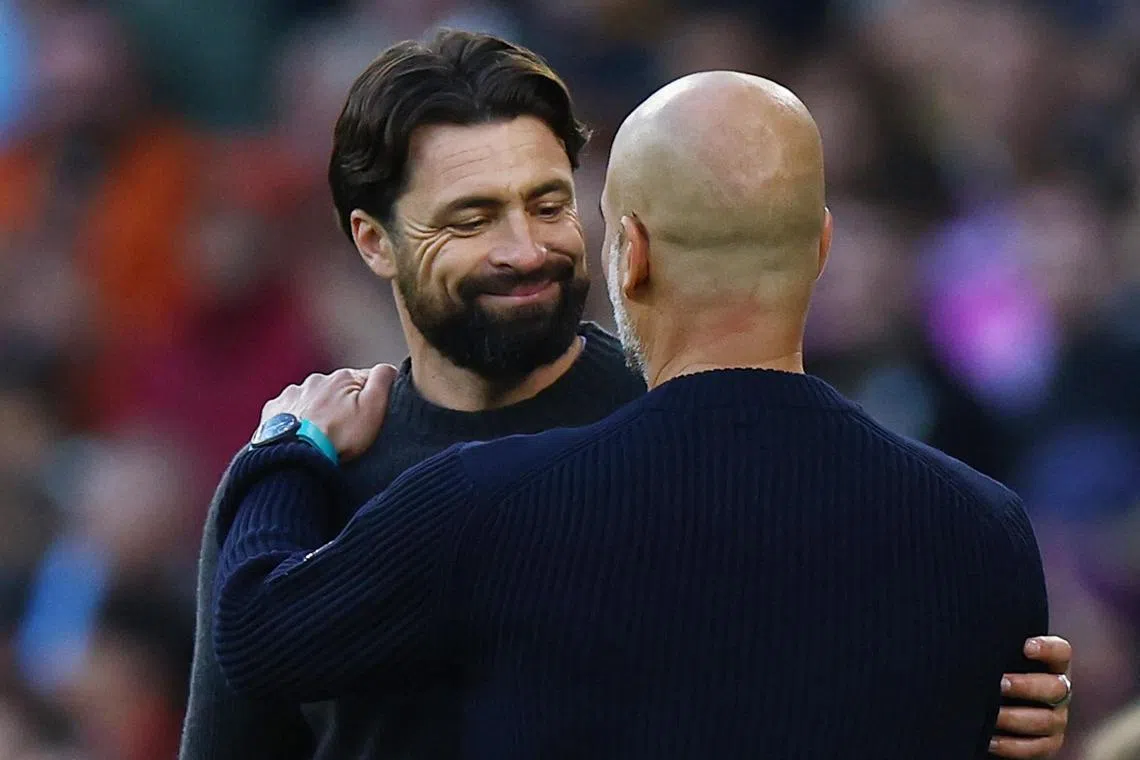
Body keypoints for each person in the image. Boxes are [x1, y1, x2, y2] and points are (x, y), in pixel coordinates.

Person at [180, 30, 1072, 760]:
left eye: (549, 203)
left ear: (617, 232)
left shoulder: (700, 431)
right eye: (472, 217)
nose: (525, 249)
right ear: (374, 242)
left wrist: (996, 716)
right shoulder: (296, 484)